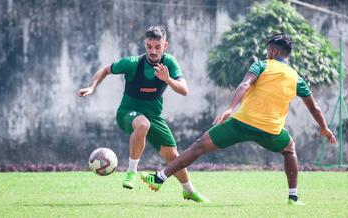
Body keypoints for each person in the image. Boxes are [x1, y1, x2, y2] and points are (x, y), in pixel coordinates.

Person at [141, 33, 336, 205]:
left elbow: (244, 84)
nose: (267, 53)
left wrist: (229, 108)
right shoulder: (297, 78)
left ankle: (159, 178)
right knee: (289, 150)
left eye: (268, 50)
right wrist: (324, 128)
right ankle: (293, 198)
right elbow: (315, 107)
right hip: (271, 131)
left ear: (275, 51)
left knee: (198, 146)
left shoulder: (262, 65)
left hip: (241, 123)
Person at [78, 25, 209, 203]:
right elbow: (105, 70)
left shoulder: (169, 63)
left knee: (173, 157)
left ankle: (189, 191)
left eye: (157, 47)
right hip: (127, 113)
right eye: (149, 46)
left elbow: (185, 90)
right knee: (142, 124)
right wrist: (92, 87)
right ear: (145, 44)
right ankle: (132, 171)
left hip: (154, 117)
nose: (153, 51)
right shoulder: (132, 63)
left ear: (165, 45)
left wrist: (167, 79)